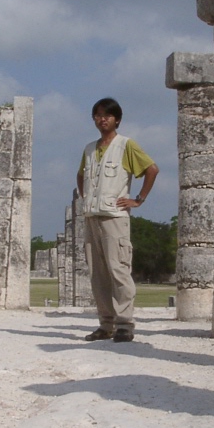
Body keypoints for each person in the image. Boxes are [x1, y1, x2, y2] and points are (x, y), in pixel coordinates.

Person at [76, 97, 159, 343]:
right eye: (98, 115)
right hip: (92, 216)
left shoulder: (126, 145)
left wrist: (138, 199)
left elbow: (151, 169)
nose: (102, 119)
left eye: (107, 115)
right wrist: (86, 197)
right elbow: (80, 175)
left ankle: (125, 324)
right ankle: (106, 324)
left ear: (117, 119)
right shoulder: (90, 148)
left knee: (118, 270)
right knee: (97, 274)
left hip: (115, 217)